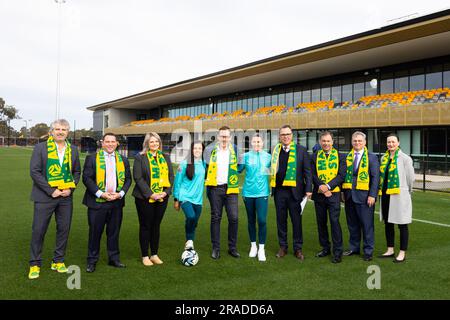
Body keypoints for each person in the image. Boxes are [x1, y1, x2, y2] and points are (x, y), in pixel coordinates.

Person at [28, 119, 81, 280]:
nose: (60, 132)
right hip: (45, 196)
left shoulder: (73, 149)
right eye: (57, 129)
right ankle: (35, 263)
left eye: (64, 129)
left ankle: (58, 260)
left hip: (65, 197)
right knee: (39, 230)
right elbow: (35, 171)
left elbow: (77, 171)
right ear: (51, 131)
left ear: (67, 132)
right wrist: (52, 191)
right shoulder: (40, 148)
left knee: (63, 229)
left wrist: (69, 189)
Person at [82, 133, 132, 273]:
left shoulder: (123, 159)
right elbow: (87, 178)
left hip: (116, 203)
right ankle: (92, 261)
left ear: (117, 144)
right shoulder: (92, 158)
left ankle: (114, 258)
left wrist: (120, 194)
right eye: (107, 141)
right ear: (102, 143)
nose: (110, 144)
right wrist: (100, 193)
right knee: (95, 233)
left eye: (113, 142)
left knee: (114, 232)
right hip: (97, 203)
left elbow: (128, 179)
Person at [270, 125, 312, 261]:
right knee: (281, 221)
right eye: (283, 134)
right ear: (279, 137)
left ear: (292, 135)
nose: (285, 136)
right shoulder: (275, 150)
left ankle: (298, 248)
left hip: (296, 193)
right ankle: (283, 246)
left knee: (296, 221)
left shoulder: (301, 150)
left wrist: (308, 189)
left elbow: (307, 172)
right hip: (279, 192)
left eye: (288, 134)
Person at [132, 132, 174, 266]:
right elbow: (138, 178)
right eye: (151, 142)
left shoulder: (165, 157)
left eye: (156, 141)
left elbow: (171, 177)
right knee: (146, 226)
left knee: (156, 226)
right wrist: (151, 194)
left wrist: (165, 193)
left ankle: (154, 254)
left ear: (159, 143)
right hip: (144, 198)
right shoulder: (140, 157)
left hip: (162, 198)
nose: (154, 144)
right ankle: (145, 255)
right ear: (147, 144)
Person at [342, 131, 380, 261]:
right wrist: (343, 191)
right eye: (355, 141)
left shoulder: (372, 157)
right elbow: (343, 175)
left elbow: (375, 178)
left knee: (367, 225)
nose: (357, 143)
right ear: (352, 142)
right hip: (349, 195)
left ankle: (368, 251)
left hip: (365, 197)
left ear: (365, 142)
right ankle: (354, 247)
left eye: (359, 141)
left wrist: (372, 195)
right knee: (352, 224)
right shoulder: (347, 156)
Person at [204, 126, 240, 259]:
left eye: (226, 136)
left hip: (231, 188)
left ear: (230, 137)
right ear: (218, 137)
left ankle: (232, 247)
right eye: (222, 136)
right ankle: (216, 248)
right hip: (215, 188)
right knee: (215, 218)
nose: (224, 138)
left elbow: (240, 165)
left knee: (234, 218)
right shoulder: (209, 150)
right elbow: (204, 165)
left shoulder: (235, 149)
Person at [378, 133, 415, 263]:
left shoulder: (405, 158)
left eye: (393, 142)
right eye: (389, 142)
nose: (391, 144)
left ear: (398, 143)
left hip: (400, 195)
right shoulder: (384, 158)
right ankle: (390, 249)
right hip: (386, 195)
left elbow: (411, 178)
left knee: (402, 224)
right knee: (388, 223)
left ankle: (402, 252)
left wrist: (407, 191)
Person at [311, 131, 346, 263]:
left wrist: (328, 187)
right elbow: (312, 174)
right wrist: (322, 187)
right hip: (319, 194)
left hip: (334, 194)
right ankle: (325, 248)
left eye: (328, 141)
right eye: (323, 141)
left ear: (332, 142)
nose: (326, 143)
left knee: (334, 222)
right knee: (321, 223)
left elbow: (341, 175)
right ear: (320, 142)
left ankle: (337, 252)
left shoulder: (340, 156)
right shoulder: (314, 156)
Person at [238, 134, 272, 262]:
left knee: (262, 220)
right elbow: (237, 170)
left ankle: (261, 248)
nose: (257, 144)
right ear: (251, 143)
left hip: (262, 193)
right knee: (251, 220)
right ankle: (253, 246)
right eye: (254, 142)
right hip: (248, 193)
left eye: (259, 142)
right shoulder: (245, 156)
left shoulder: (268, 157)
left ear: (262, 143)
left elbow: (274, 171)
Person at [173, 141, 206, 251]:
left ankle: (189, 239)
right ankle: (189, 241)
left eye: (199, 148)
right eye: (195, 148)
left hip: (198, 199)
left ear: (202, 150)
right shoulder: (184, 164)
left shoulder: (204, 164)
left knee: (194, 222)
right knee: (191, 217)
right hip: (185, 196)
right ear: (191, 150)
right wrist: (176, 199)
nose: (197, 150)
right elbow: (177, 182)